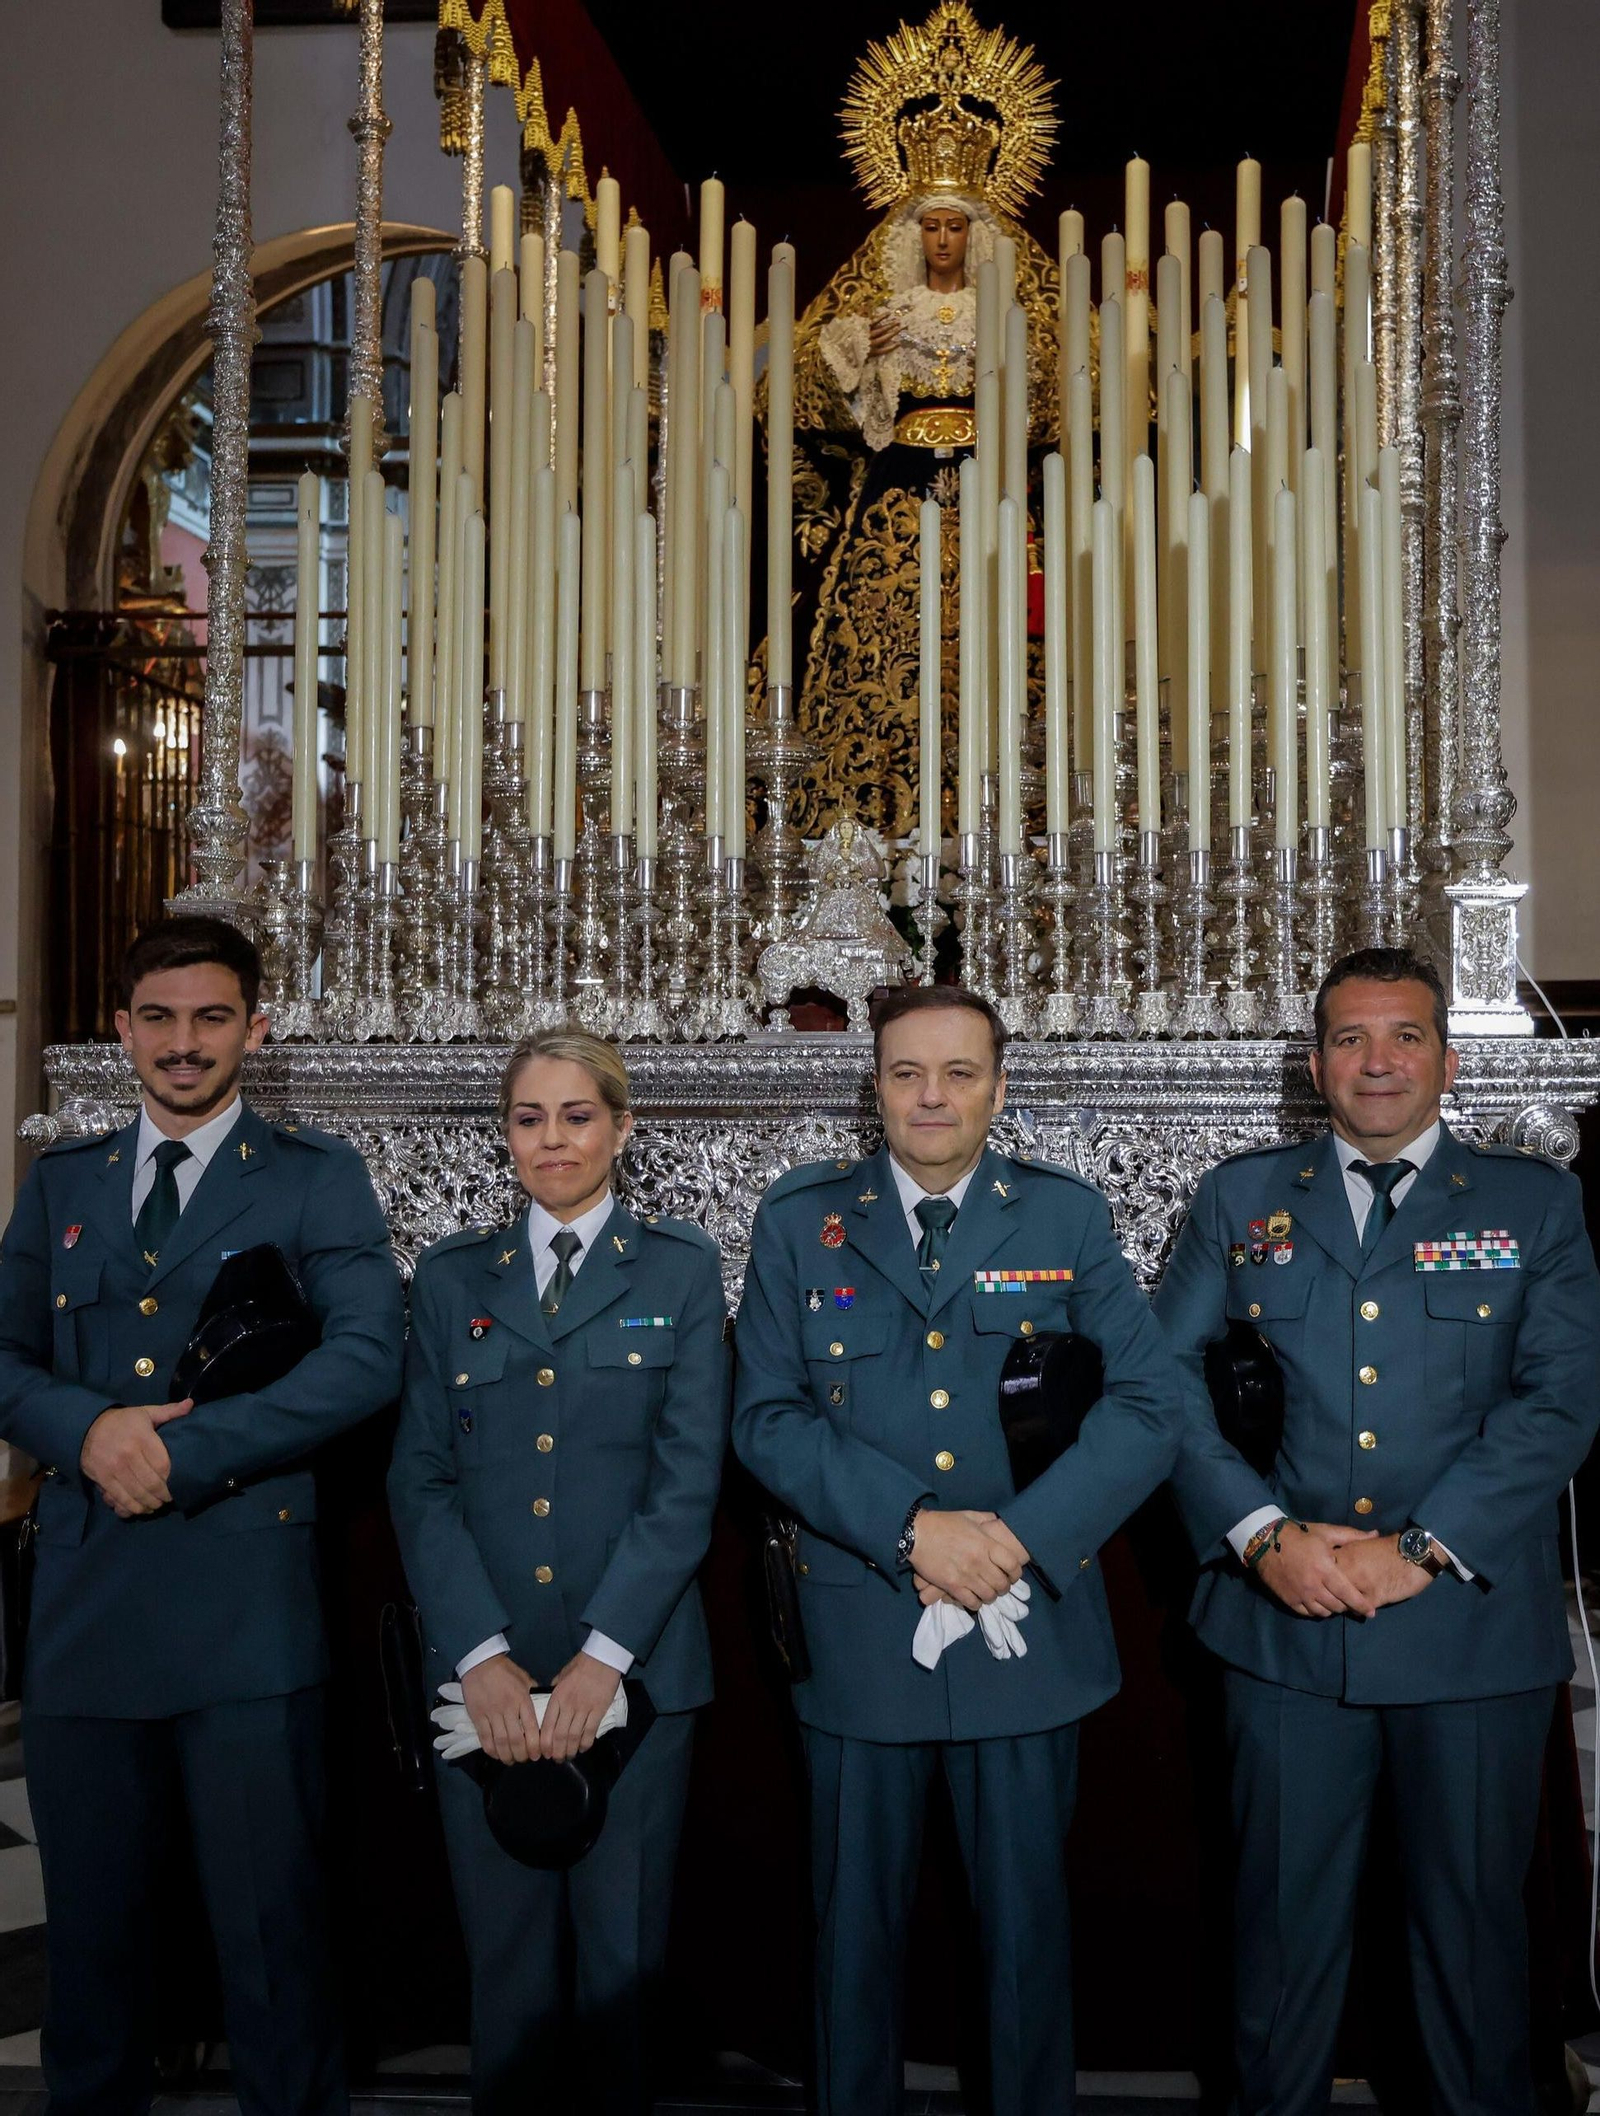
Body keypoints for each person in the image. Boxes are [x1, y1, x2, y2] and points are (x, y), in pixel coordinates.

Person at [1156, 946, 1600, 2116]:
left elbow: (1557, 1404)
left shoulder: (1530, 1201)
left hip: (1464, 1635)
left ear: (1448, 1060)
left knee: (1468, 1955)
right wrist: (1260, 1536)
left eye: (1403, 1035)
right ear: (1314, 1064)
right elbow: (1163, 1384)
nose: (1377, 1061)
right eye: (1350, 1038)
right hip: (1282, 1629)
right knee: (1280, 1952)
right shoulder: (1242, 1197)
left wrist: (1416, 1551)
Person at [732, 984, 1191, 2116]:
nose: (931, 1096)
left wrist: (1019, 1541)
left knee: (1027, 1944)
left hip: (1023, 1632)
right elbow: (767, 1416)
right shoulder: (801, 1220)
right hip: (859, 1633)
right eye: (904, 1073)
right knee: (851, 1946)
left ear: (997, 1083)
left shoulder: (1064, 1218)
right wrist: (910, 1526)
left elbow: (1147, 1405)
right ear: (874, 1084)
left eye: (959, 1073)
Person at [0, 914, 404, 2116]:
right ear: (122, 1028)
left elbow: (366, 1359)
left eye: (212, 1017)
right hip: (84, 1608)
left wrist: (175, 1455)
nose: (185, 1044)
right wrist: (86, 1431)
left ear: (255, 1027)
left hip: (242, 1612)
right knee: (92, 1951)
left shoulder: (311, 1175)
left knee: (271, 1941)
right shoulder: (61, 1182)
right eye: (160, 1018)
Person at [388, 1029, 730, 2116]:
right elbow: (422, 1481)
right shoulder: (452, 1279)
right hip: (481, 1676)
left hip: (634, 1674)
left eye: (577, 1115)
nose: (553, 1139)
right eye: (529, 1117)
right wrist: (483, 1659)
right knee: (508, 1971)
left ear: (623, 1127)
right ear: (505, 1134)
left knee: (620, 1967)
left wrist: (601, 1662)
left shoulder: (676, 1270)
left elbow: (685, 1488)